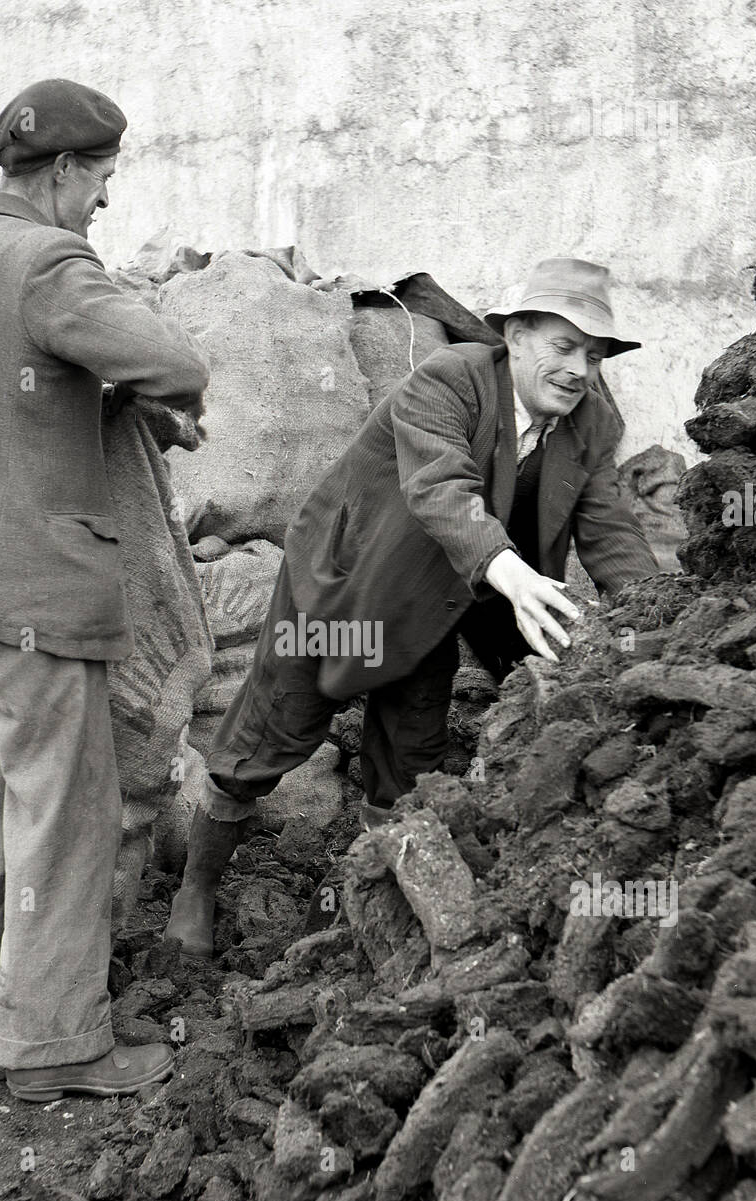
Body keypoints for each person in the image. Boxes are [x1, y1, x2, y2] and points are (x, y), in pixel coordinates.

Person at [162, 258, 658, 959]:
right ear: (515, 336)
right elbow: (440, 487)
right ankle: (197, 888)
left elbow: (610, 531)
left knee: (413, 765)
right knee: (266, 737)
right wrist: (508, 569)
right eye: (564, 346)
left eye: (593, 354)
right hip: (350, 589)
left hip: (446, 608)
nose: (580, 369)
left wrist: (655, 622)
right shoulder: (447, 381)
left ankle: (363, 913)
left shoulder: (593, 420)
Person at [0, 78, 209, 1100]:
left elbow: (1, 394)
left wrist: (100, 399)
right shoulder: (49, 260)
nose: (107, 198)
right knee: (65, 816)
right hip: (27, 593)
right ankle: (59, 1046)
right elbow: (172, 356)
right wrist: (155, 396)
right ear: (64, 171)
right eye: (103, 177)